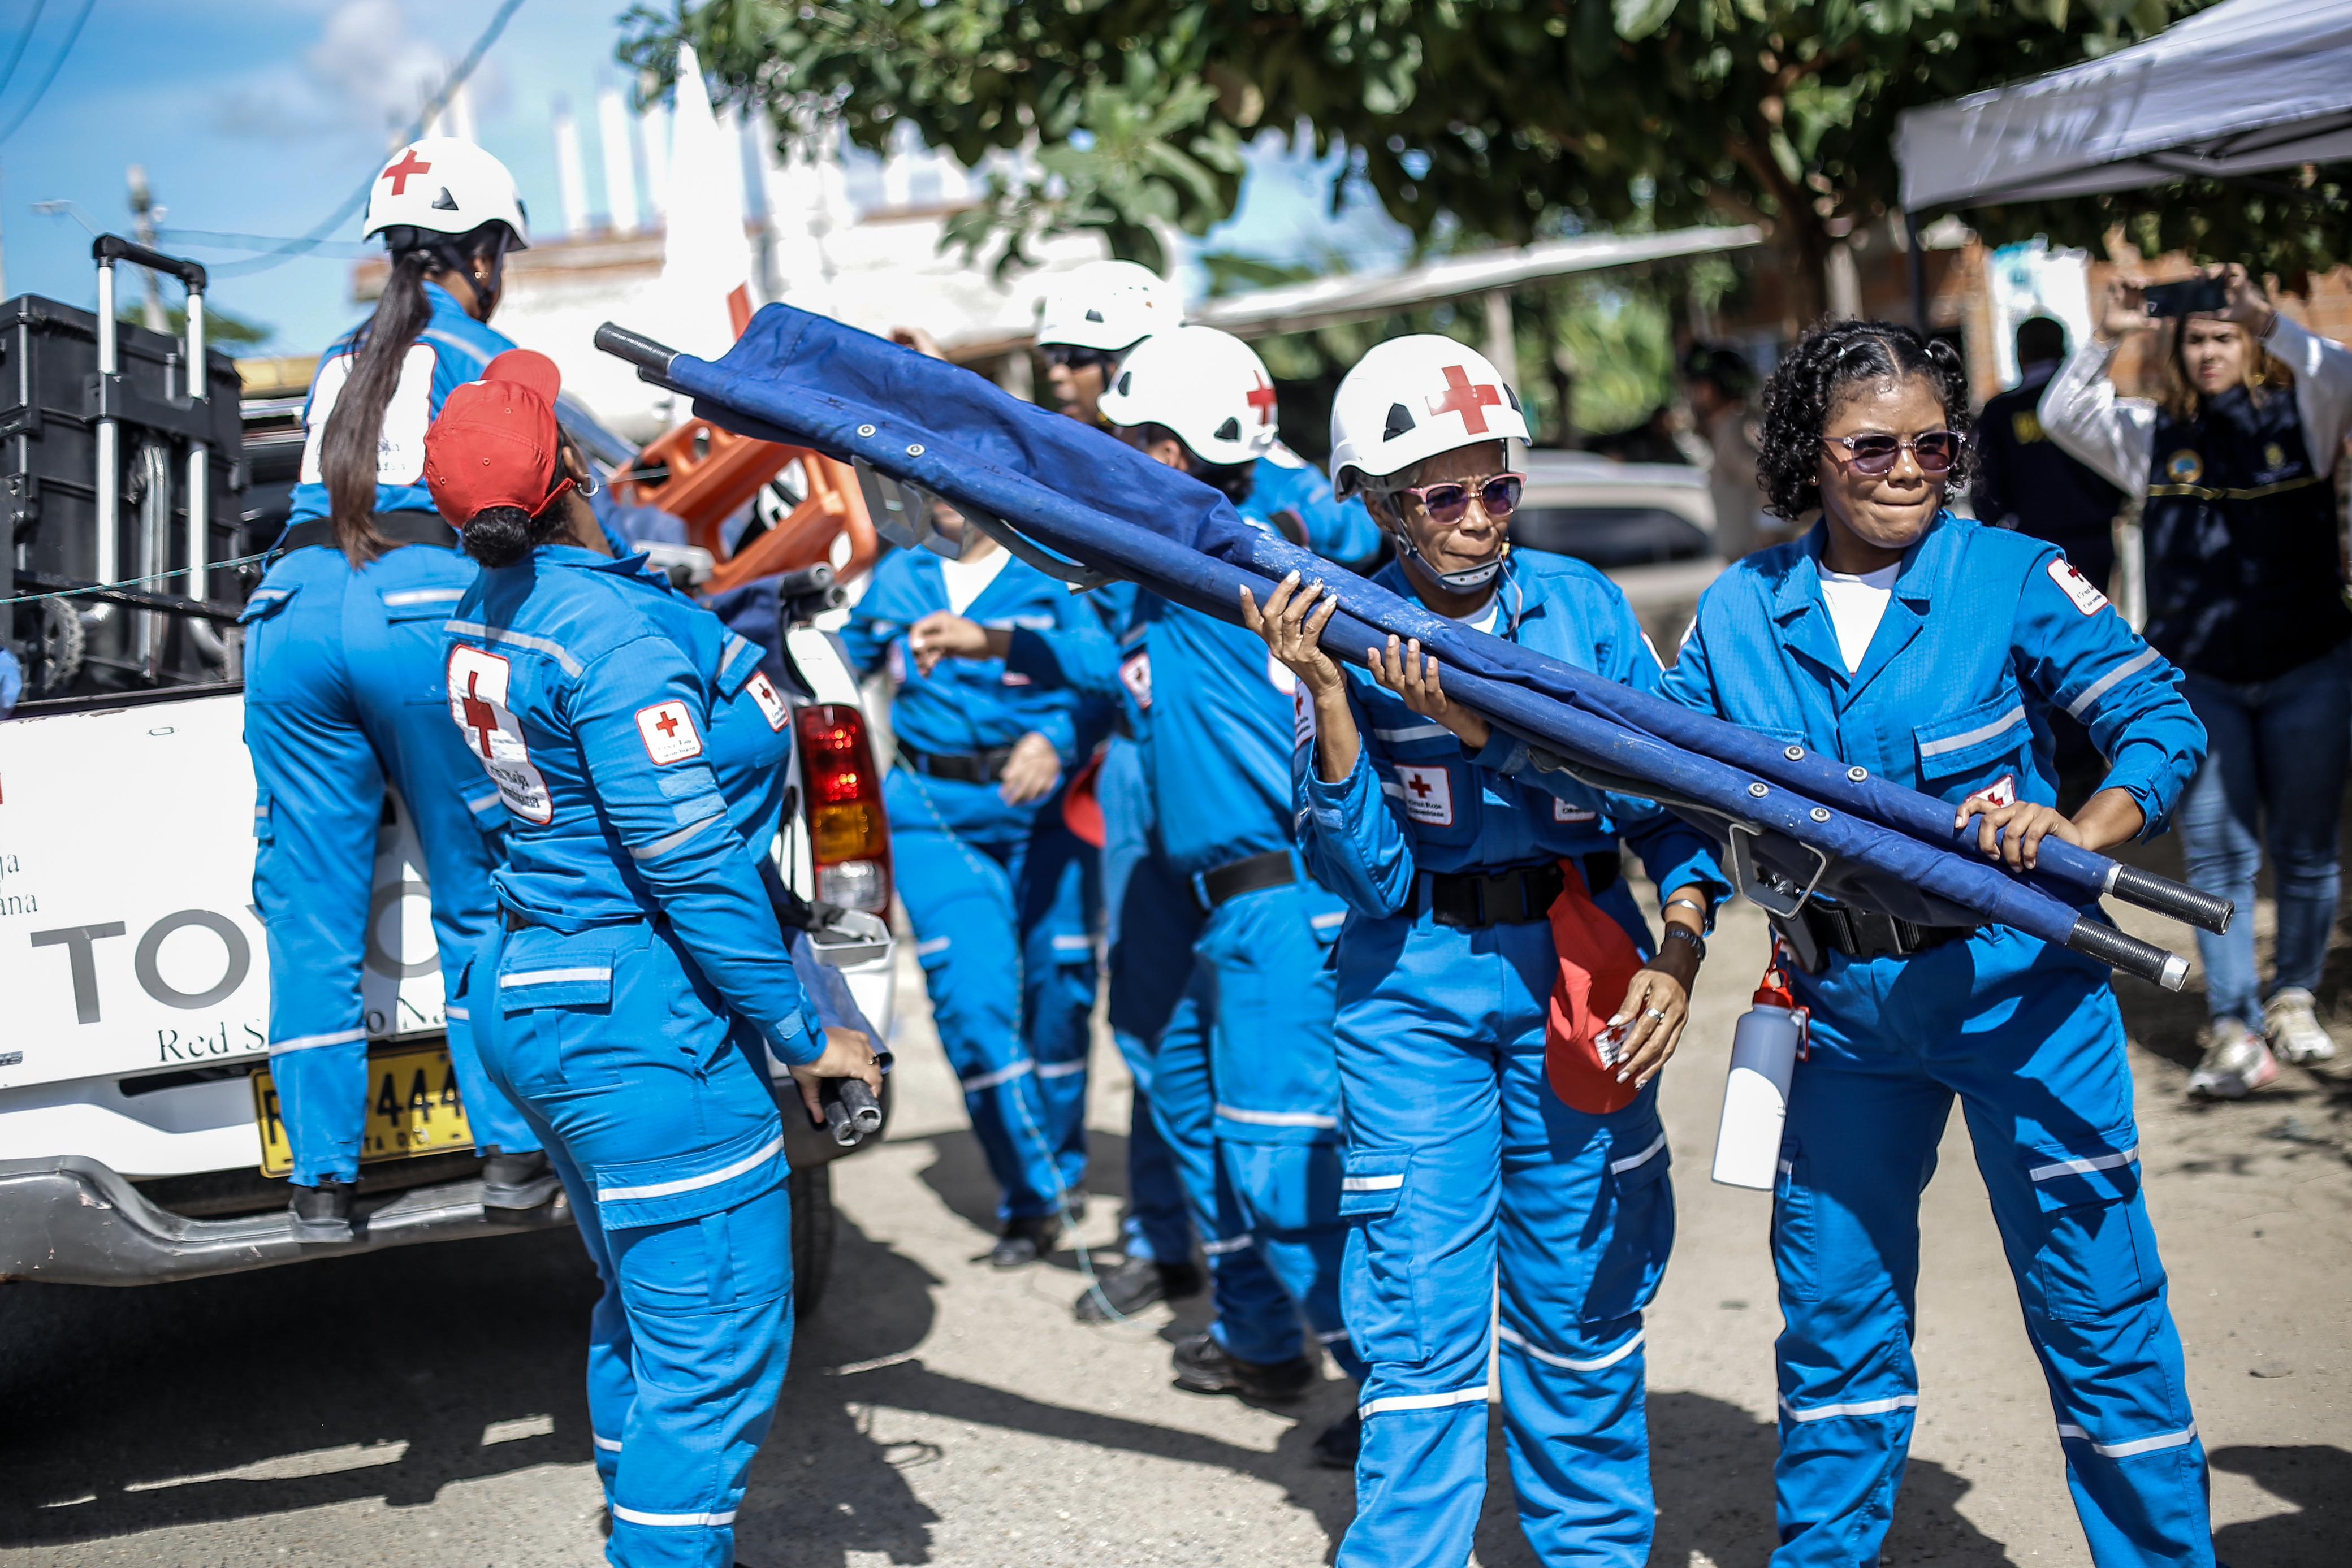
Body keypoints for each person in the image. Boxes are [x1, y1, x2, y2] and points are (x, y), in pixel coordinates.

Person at [1667, 319, 2215, 1566]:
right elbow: (1675, 798)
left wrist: (2075, 829)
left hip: (2023, 994)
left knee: (2102, 1318)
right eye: (1873, 445)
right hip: (1838, 1008)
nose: (1910, 467)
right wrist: (1683, 933)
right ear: (1813, 451)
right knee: (1834, 1322)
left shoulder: (2011, 574)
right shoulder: (1739, 614)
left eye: (1935, 442)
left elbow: (2154, 712)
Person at [1248, 336, 1726, 1565]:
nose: (1476, 519)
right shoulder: (1327, 628)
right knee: (1417, 1324)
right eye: (1440, 495)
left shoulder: (1582, 608)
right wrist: (1342, 707)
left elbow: (1671, 811)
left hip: (1584, 978)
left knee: (1583, 1309)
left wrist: (1676, 953)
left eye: (1496, 486)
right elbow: (1362, 876)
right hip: (1411, 988)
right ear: (1370, 500)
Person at [422, 350, 879, 1568]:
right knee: (715, 1339)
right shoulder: (606, 638)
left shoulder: (496, 609)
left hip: (554, 1000)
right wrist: (803, 1031)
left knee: (647, 1313)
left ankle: (650, 1528)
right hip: (644, 1025)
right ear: (570, 470)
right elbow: (686, 863)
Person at [240, 139, 550, 1242]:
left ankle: (320, 1184)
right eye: (498, 250)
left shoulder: (336, 353)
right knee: (481, 888)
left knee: (310, 916)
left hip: (291, 612)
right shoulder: (489, 353)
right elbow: (540, 513)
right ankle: (512, 1156)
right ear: (475, 253)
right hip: (418, 608)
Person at [2042, 264, 2352, 1095]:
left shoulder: (2306, 414)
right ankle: (2234, 1025)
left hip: (2309, 665)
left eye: (2224, 336)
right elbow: (2063, 412)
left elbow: (2342, 373)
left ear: (2246, 343)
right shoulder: (2149, 432)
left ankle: (2292, 998)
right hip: (2205, 679)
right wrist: (2109, 335)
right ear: (2177, 350)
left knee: (2308, 848)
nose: (2210, 352)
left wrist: (2271, 318)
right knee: (2218, 852)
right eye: (2197, 339)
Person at [843, 510, 1103, 1266]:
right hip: (936, 816)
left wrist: (1056, 740)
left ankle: (1067, 1167)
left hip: (1046, 817)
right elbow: (822, 667)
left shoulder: (1058, 569)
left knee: (1061, 995)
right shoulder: (899, 576)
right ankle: (1032, 1195)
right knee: (975, 1004)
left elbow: (1107, 675)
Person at [1975, 315, 2124, 593]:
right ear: (2064, 350)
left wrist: (1997, 529)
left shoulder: (2000, 412)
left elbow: (1986, 484)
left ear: (2021, 354)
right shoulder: (2089, 404)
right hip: (2094, 534)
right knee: (2093, 621)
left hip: (2032, 542)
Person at [1683, 343, 1770, 560]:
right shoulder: (1727, 430)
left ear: (1709, 390)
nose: (1692, 398)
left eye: (1696, 389)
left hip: (1756, 567)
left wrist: (1768, 543)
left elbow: (1770, 486)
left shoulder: (1737, 430)